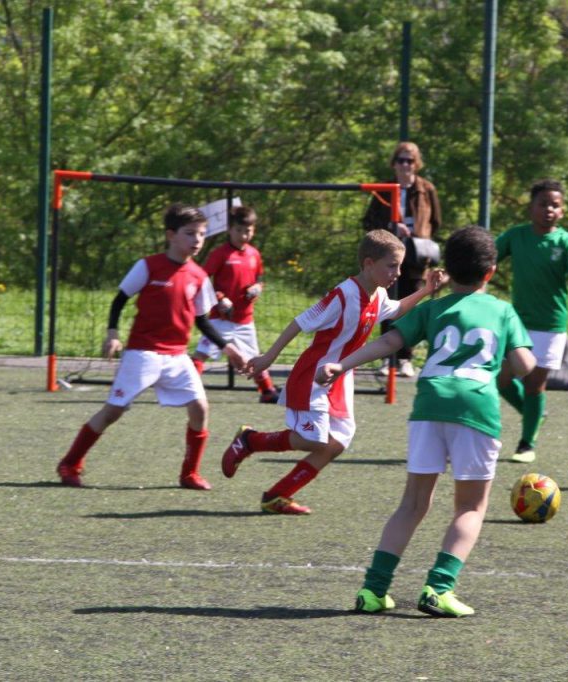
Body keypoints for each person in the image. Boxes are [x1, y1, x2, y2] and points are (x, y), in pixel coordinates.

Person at [317, 226, 535, 617]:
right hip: (475, 408)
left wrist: (341, 364)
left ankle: (373, 591)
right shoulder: (503, 310)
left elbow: (389, 342)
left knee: (413, 504)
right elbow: (523, 367)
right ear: (491, 271)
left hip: (429, 403)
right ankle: (438, 589)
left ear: (448, 269)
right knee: (470, 507)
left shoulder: (432, 308)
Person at [219, 229, 446, 515]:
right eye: (392, 266)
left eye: (399, 266)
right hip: (314, 375)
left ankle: (277, 495)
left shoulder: (376, 294)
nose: (398, 273)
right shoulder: (343, 294)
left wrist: (427, 290)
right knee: (315, 439)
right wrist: (268, 357)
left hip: (339, 376)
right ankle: (250, 440)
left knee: (338, 442)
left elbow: (396, 310)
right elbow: (299, 322)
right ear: (368, 264)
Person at [54, 203, 245, 490]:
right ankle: (70, 463)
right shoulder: (148, 265)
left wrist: (227, 347)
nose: (197, 240)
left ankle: (189, 473)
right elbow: (120, 299)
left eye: (202, 234)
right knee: (113, 411)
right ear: (171, 235)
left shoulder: (199, 276)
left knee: (200, 408)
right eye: (190, 233)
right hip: (143, 353)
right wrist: (112, 333)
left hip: (177, 355)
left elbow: (202, 321)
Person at [495, 179, 568, 463]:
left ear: (562, 211)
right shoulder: (516, 236)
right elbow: (487, 258)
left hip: (551, 324)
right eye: (543, 203)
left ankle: (526, 444)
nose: (549, 209)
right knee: (501, 378)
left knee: (536, 385)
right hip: (518, 322)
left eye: (555, 205)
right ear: (531, 207)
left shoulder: (567, 242)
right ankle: (533, 414)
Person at [362, 141, 442, 378]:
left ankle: (406, 358)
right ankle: (387, 359)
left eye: (410, 160)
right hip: (388, 253)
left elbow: (436, 221)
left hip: (416, 256)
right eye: (401, 160)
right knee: (386, 304)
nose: (405, 165)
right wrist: (390, 227)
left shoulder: (427, 189)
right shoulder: (383, 190)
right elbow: (368, 222)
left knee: (410, 303)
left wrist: (420, 238)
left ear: (416, 164)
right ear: (394, 163)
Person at [192, 205, 279, 404]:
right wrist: (220, 297)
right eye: (239, 230)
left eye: (247, 230)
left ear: (253, 230)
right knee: (202, 354)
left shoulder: (254, 254)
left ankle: (267, 391)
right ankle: (186, 390)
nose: (243, 235)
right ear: (230, 230)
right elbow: (203, 279)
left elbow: (260, 278)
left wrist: (257, 287)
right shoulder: (220, 253)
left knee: (254, 357)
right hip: (219, 319)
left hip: (244, 319)